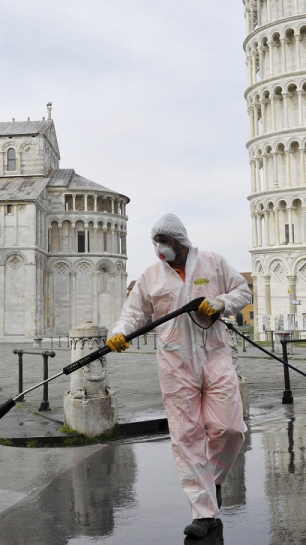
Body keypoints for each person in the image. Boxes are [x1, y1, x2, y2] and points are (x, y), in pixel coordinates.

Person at [107, 213, 251, 539]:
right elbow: (133, 314)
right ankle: (203, 513)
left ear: (179, 242)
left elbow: (244, 292)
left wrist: (220, 302)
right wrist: (120, 333)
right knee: (186, 439)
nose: (160, 249)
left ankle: (212, 480)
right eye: (156, 243)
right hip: (175, 365)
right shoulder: (151, 277)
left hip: (215, 357)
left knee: (231, 429)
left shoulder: (213, 264)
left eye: (165, 242)